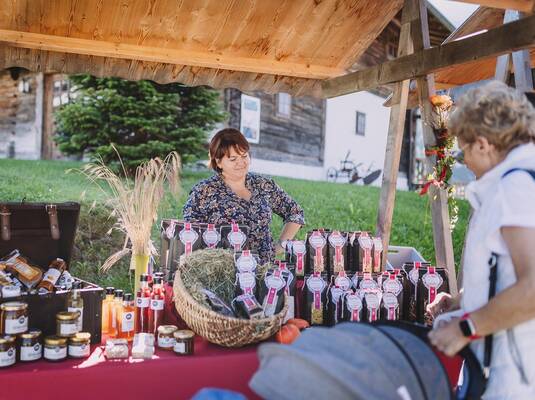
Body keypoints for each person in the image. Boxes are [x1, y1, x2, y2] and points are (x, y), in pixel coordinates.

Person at [427, 81, 535, 399]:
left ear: (484, 144)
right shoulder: (516, 182)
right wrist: (460, 300)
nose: (464, 160)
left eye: (463, 150)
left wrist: (465, 328)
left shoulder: (514, 188)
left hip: (516, 376)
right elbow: (505, 271)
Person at [183, 128, 305, 264]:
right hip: (223, 273)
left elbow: (295, 212)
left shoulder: (263, 185)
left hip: (263, 272)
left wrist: (282, 245)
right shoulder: (203, 191)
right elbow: (189, 235)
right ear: (218, 162)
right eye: (233, 158)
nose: (241, 162)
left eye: (244, 156)